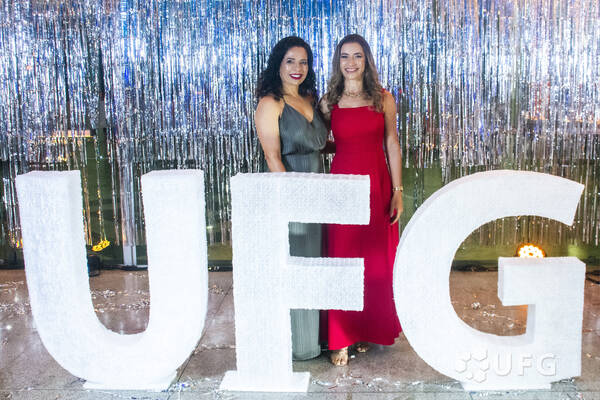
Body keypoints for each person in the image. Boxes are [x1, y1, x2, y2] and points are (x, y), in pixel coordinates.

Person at [320, 34, 403, 366]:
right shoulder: (328, 102)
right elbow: (322, 141)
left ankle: (367, 328)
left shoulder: (383, 99)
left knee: (373, 261)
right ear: (338, 62)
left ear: (366, 60)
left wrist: (397, 191)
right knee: (342, 259)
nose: (351, 62)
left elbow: (392, 143)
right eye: (344, 56)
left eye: (357, 56)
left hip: (376, 185)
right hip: (341, 186)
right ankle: (341, 337)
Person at [254, 36, 327, 360]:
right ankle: (298, 346)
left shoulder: (310, 99)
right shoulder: (271, 103)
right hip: (291, 194)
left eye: (303, 62)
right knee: (295, 265)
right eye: (290, 61)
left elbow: (322, 142)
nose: (297, 68)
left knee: (315, 265)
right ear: (278, 65)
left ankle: (316, 339)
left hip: (320, 191)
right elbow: (272, 157)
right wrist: (292, 200)